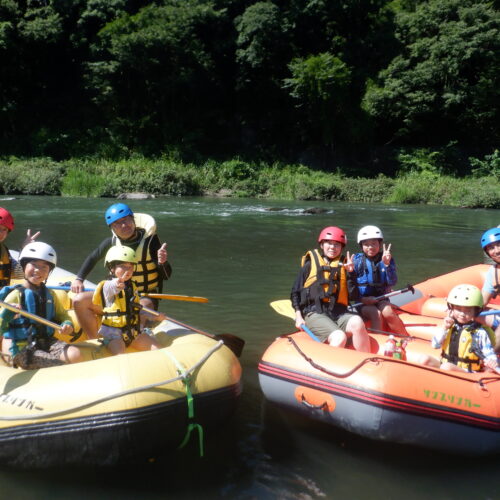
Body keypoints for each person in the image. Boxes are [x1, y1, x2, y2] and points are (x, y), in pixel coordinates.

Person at [71, 203, 171, 339]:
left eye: (126, 220)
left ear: (133, 219)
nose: (124, 226)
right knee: (79, 300)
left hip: (144, 295)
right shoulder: (110, 242)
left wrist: (162, 262)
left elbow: (166, 275)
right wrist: (79, 279)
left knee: (141, 307)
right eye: (117, 224)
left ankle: (137, 336)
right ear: (112, 228)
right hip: (116, 293)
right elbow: (92, 258)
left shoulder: (150, 242)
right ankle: (95, 341)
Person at [0, 242, 82, 369]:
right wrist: (7, 314)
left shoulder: (50, 294)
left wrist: (68, 324)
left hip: (46, 341)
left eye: (44, 267)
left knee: (75, 354)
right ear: (23, 265)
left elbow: (63, 315)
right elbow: (1, 326)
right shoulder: (15, 295)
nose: (38, 270)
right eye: (34, 264)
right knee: (56, 365)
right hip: (21, 346)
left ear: (49, 271)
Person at [290, 226, 371, 352]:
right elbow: (295, 292)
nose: (333, 247)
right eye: (329, 243)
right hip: (315, 312)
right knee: (339, 337)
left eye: (337, 244)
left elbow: (353, 296)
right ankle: (326, 368)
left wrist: (351, 274)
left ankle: (365, 363)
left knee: (358, 323)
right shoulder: (309, 265)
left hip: (338, 313)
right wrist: (298, 315)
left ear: (341, 248)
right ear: (322, 245)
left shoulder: (345, 266)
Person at [92, 246, 161, 355]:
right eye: (122, 266)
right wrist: (118, 283)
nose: (127, 270)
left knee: (157, 349)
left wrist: (154, 316)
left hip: (133, 333)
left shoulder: (132, 286)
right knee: (120, 355)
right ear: (111, 268)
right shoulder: (107, 286)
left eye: (130, 266)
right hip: (113, 335)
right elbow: (112, 287)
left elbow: (137, 309)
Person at [421, 284, 498, 373]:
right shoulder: (449, 326)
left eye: (468, 310)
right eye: (458, 309)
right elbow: (435, 345)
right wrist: (444, 328)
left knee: (446, 367)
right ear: (451, 309)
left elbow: (489, 353)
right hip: (447, 366)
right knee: (425, 359)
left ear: (476, 311)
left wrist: (492, 361)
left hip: (468, 372)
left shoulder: (480, 332)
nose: (462, 314)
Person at [352, 225, 408, 336]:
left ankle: (406, 338)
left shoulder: (387, 259)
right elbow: (350, 287)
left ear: (380, 244)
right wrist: (362, 299)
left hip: (381, 299)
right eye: (366, 244)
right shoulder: (357, 262)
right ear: (361, 246)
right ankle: (379, 342)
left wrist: (387, 265)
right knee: (375, 313)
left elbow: (392, 282)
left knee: (388, 311)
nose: (370, 247)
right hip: (362, 302)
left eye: (374, 243)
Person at [0, 206, 40, 288]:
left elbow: (19, 274)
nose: (1, 233)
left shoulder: (3, 251)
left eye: (4, 229)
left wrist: (24, 250)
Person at [478, 227, 500, 353]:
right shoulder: (494, 272)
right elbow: (481, 301)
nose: (497, 251)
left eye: (499, 245)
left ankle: (488, 363)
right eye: (491, 248)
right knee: (469, 313)